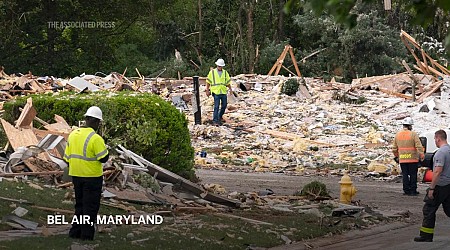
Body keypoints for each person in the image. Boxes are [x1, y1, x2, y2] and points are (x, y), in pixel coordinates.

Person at [64, 106, 109, 240]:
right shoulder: (95, 138)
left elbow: (67, 158)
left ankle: (75, 233)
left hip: (76, 176)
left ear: (86, 119)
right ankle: (86, 235)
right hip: (92, 177)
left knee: (80, 205)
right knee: (90, 207)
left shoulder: (73, 135)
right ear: (96, 122)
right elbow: (104, 158)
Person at [414, 129, 450, 242]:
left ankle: (426, 236)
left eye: (435, 139)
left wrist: (432, 188)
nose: (434, 141)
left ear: (438, 138)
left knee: (429, 209)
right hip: (449, 185)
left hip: (440, 185)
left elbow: (437, 171)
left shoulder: (440, 153)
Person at [392, 117, 424, 196]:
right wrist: (421, 154)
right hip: (412, 159)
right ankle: (413, 190)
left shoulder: (398, 135)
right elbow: (418, 146)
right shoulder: (413, 134)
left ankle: (406, 190)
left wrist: (397, 156)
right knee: (413, 174)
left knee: (405, 174)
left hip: (402, 159)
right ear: (410, 126)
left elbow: (394, 148)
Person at [205, 58, 233, 126]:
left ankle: (219, 116)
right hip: (216, 92)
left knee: (224, 105)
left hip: (223, 92)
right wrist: (207, 90)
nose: (220, 67)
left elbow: (228, 82)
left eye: (221, 66)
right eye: (218, 66)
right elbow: (208, 81)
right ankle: (215, 120)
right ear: (217, 65)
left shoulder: (225, 73)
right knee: (216, 106)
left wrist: (230, 89)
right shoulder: (212, 73)